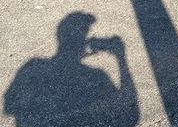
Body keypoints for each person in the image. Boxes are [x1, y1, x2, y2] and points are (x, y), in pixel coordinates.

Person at [4, 12, 139, 126]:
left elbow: (9, 106)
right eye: (85, 33)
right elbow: (130, 116)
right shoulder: (97, 76)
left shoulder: (32, 68)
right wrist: (121, 57)